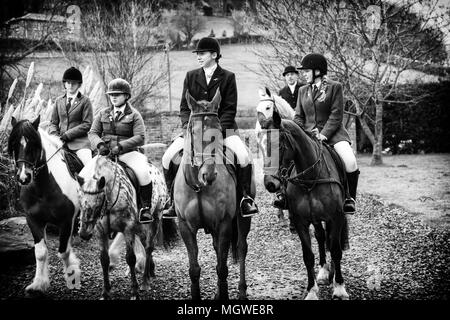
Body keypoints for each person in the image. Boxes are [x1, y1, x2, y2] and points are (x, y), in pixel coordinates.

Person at [161, 37, 258, 219]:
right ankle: (171, 201)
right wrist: (186, 128)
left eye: (202, 53)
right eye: (197, 53)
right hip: (194, 131)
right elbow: (184, 108)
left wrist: (217, 132)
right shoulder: (191, 76)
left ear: (214, 55)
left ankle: (245, 198)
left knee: (243, 156)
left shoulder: (228, 77)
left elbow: (230, 108)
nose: (198, 56)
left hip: (223, 129)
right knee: (167, 157)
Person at [291, 53, 360, 214]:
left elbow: (336, 116)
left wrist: (323, 134)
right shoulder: (302, 90)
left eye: (307, 71)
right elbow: (299, 117)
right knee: (288, 156)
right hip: (308, 136)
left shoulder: (334, 87)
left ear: (317, 71)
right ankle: (285, 197)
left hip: (333, 135)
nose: (304, 74)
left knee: (350, 162)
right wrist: (301, 132)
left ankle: (349, 198)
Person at [88, 78, 154, 224]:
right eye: (111, 94)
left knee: (143, 173)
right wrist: (100, 145)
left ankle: (145, 208)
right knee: (85, 174)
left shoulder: (134, 115)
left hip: (128, 153)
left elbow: (140, 137)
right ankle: (85, 210)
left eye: (117, 94)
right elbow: (92, 133)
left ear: (126, 96)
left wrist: (121, 146)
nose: (113, 97)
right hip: (106, 153)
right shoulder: (102, 113)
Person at [49, 67, 93, 166]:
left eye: (74, 83)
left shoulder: (85, 101)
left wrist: (67, 135)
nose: (70, 85)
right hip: (60, 143)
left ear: (79, 84)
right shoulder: (58, 101)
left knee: (88, 166)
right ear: (64, 83)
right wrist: (55, 136)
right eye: (68, 82)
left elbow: (87, 124)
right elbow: (53, 123)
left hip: (80, 144)